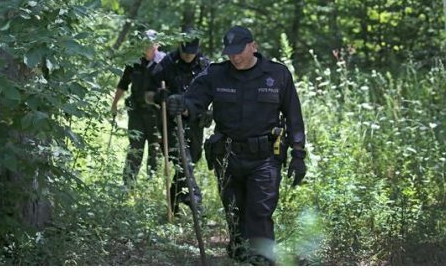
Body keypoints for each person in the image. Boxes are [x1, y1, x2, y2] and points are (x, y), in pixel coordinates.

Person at [164, 25, 307, 265]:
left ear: (253, 46)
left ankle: (262, 260)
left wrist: (298, 154)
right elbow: (194, 102)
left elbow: (294, 117)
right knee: (235, 214)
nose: (235, 57)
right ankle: (240, 256)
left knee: (259, 213)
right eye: (230, 52)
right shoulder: (215, 74)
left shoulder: (277, 75)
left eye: (239, 51)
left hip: (265, 158)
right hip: (227, 156)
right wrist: (181, 104)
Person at [148, 37, 211, 214]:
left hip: (195, 121)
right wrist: (159, 97)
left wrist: (211, 111)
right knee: (184, 160)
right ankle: (195, 202)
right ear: (180, 47)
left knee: (194, 157)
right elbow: (148, 94)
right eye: (185, 52)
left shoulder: (205, 65)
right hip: (171, 120)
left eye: (192, 53)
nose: (188, 56)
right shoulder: (167, 63)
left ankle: (174, 201)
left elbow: (215, 92)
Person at [111, 30, 165, 186]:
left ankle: (151, 184)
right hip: (137, 112)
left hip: (156, 114)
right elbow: (123, 84)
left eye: (149, 44)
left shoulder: (164, 63)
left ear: (157, 44)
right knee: (135, 148)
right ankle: (128, 184)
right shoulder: (134, 61)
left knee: (155, 150)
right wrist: (114, 104)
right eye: (143, 43)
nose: (146, 47)